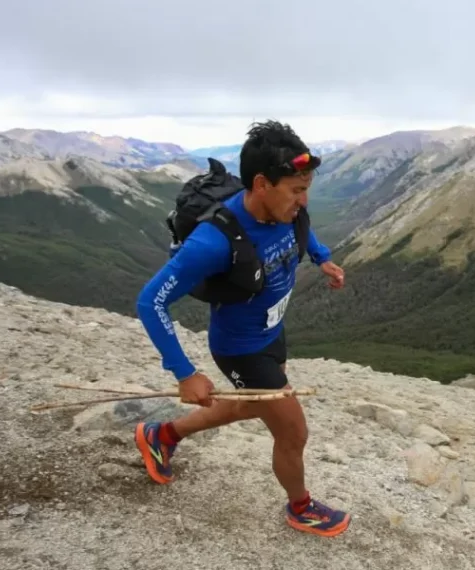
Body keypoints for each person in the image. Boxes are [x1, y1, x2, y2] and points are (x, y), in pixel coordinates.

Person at [132, 120, 350, 538]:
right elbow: (150, 300)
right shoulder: (213, 242)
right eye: (296, 190)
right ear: (262, 184)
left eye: (307, 189)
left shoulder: (284, 208)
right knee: (292, 430)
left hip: (271, 334)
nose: (304, 201)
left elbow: (301, 230)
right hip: (240, 348)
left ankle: (161, 435)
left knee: (251, 405)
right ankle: (300, 508)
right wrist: (184, 372)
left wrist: (321, 258)